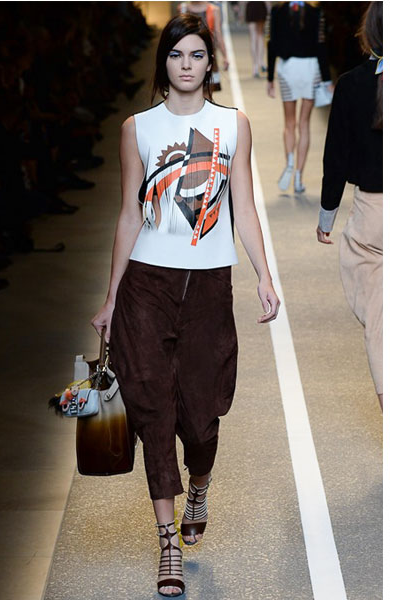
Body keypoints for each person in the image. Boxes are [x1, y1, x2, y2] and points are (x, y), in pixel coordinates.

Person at [91, 13, 280, 597]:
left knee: (201, 415)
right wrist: (111, 296)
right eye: (176, 55)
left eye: (196, 54)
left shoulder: (232, 124)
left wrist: (264, 276)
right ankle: (167, 540)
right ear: (164, 62)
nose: (187, 65)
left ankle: (200, 482)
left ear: (209, 62)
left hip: (208, 287)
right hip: (146, 285)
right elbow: (129, 215)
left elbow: (243, 207)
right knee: (153, 411)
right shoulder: (138, 129)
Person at [316, 1, 383, 410]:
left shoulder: (352, 85)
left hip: (375, 215)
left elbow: (336, 158)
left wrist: (327, 215)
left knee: (380, 323)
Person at [267, 1, 333, 193]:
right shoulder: (316, 12)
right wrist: (327, 80)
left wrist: (270, 78)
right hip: (310, 69)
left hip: (287, 69)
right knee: (304, 124)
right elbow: (321, 46)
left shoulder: (277, 11)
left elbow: (272, 44)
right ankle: (298, 176)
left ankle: (289, 160)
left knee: (289, 123)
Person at [178, 1, 229, 90]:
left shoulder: (213, 10)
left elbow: (218, 33)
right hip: (188, 57)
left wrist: (225, 56)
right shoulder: (183, 8)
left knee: (208, 89)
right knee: (189, 88)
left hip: (208, 55)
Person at [244, 1, 271, 77]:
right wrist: (269, 8)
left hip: (251, 5)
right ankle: (260, 62)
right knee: (260, 35)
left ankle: (255, 66)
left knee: (253, 37)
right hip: (260, 5)